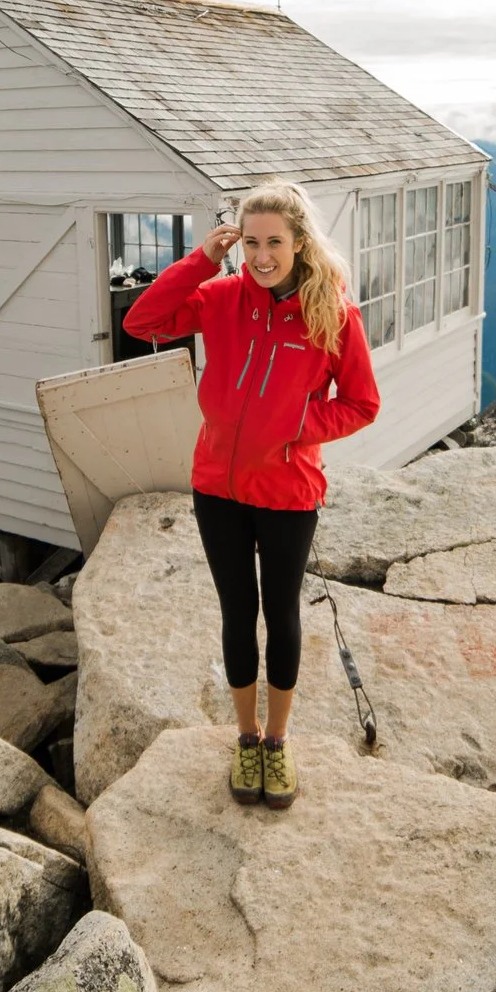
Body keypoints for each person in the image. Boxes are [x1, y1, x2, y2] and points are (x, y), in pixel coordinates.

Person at [120, 179, 379, 809]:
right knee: (238, 614)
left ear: (299, 243)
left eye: (276, 243)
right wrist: (201, 259)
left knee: (281, 614)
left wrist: (297, 426)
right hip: (218, 486)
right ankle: (246, 738)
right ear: (239, 243)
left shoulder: (332, 313)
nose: (263, 256)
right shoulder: (220, 296)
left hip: (289, 490)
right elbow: (142, 320)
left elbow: (362, 404)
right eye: (252, 242)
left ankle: (279, 743)